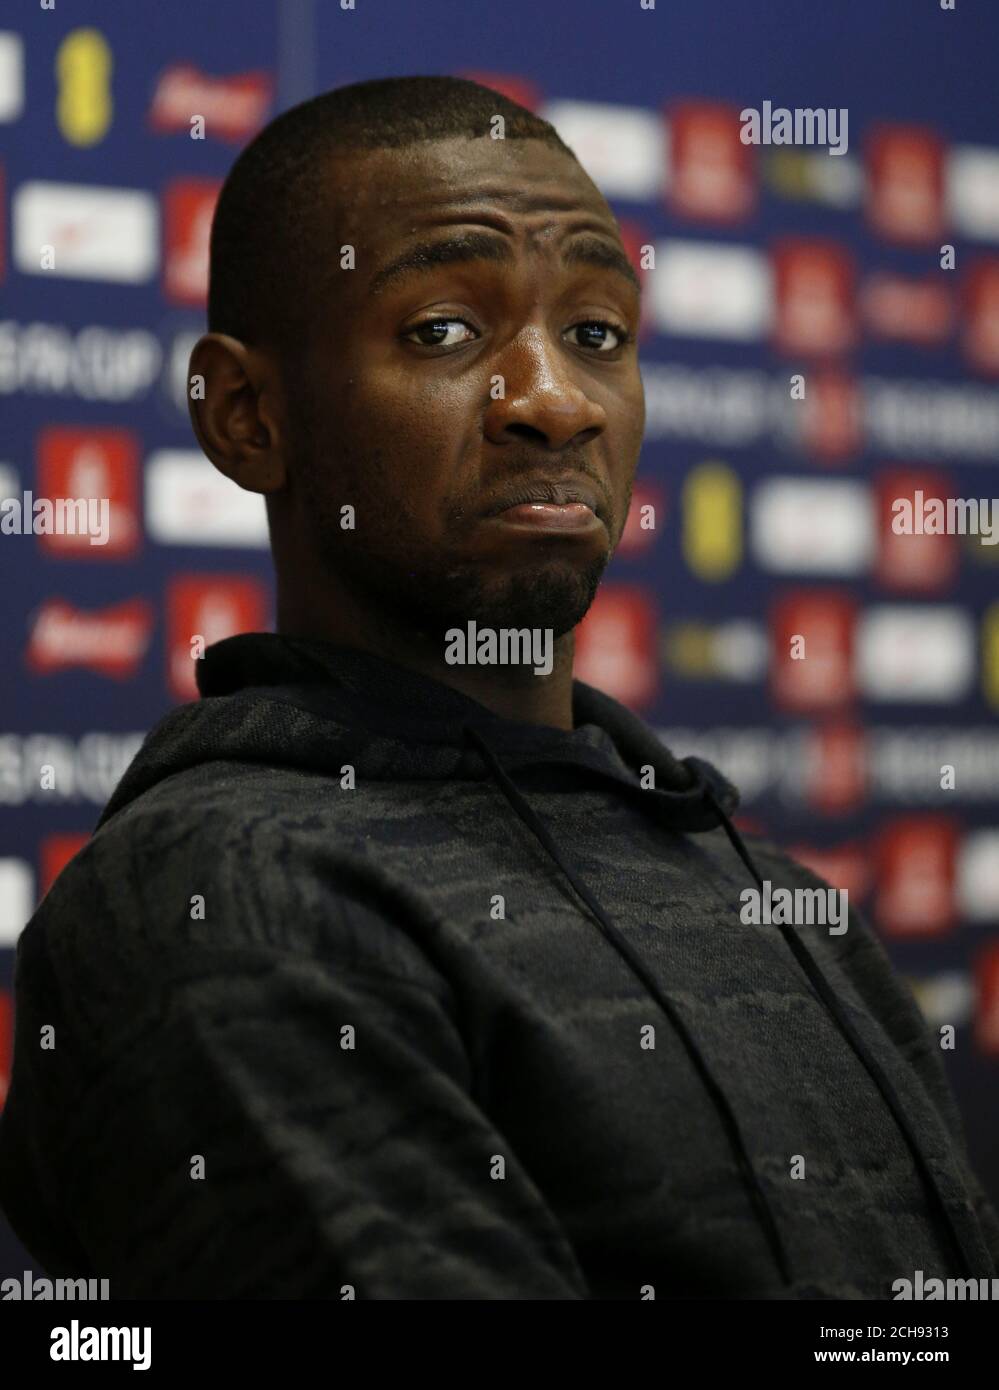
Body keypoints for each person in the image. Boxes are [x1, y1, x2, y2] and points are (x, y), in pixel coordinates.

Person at [1, 75, 996, 1300]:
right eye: (443, 331)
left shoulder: (775, 898)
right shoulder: (213, 895)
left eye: (596, 334)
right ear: (248, 416)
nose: (556, 403)